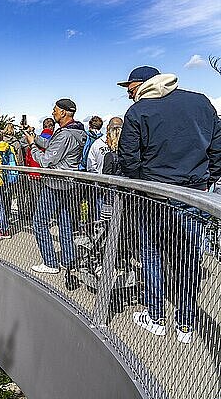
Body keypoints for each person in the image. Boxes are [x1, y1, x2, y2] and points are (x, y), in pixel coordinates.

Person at [117, 65, 221, 343]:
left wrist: (144, 184)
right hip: (193, 194)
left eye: (129, 88)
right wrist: (204, 180)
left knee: (151, 254)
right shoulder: (200, 101)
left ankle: (156, 317)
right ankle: (185, 324)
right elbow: (218, 148)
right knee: (187, 257)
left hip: (154, 195)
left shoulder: (139, 111)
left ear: (142, 83)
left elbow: (128, 159)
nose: (128, 94)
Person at [25, 98, 86, 273]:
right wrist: (35, 137)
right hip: (67, 184)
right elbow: (52, 145)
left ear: (64, 112)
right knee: (64, 222)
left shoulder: (66, 134)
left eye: (55, 110)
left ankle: (50, 263)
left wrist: (31, 145)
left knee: (39, 222)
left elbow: (46, 160)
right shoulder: (75, 132)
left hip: (54, 184)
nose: (53, 112)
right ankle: (68, 259)